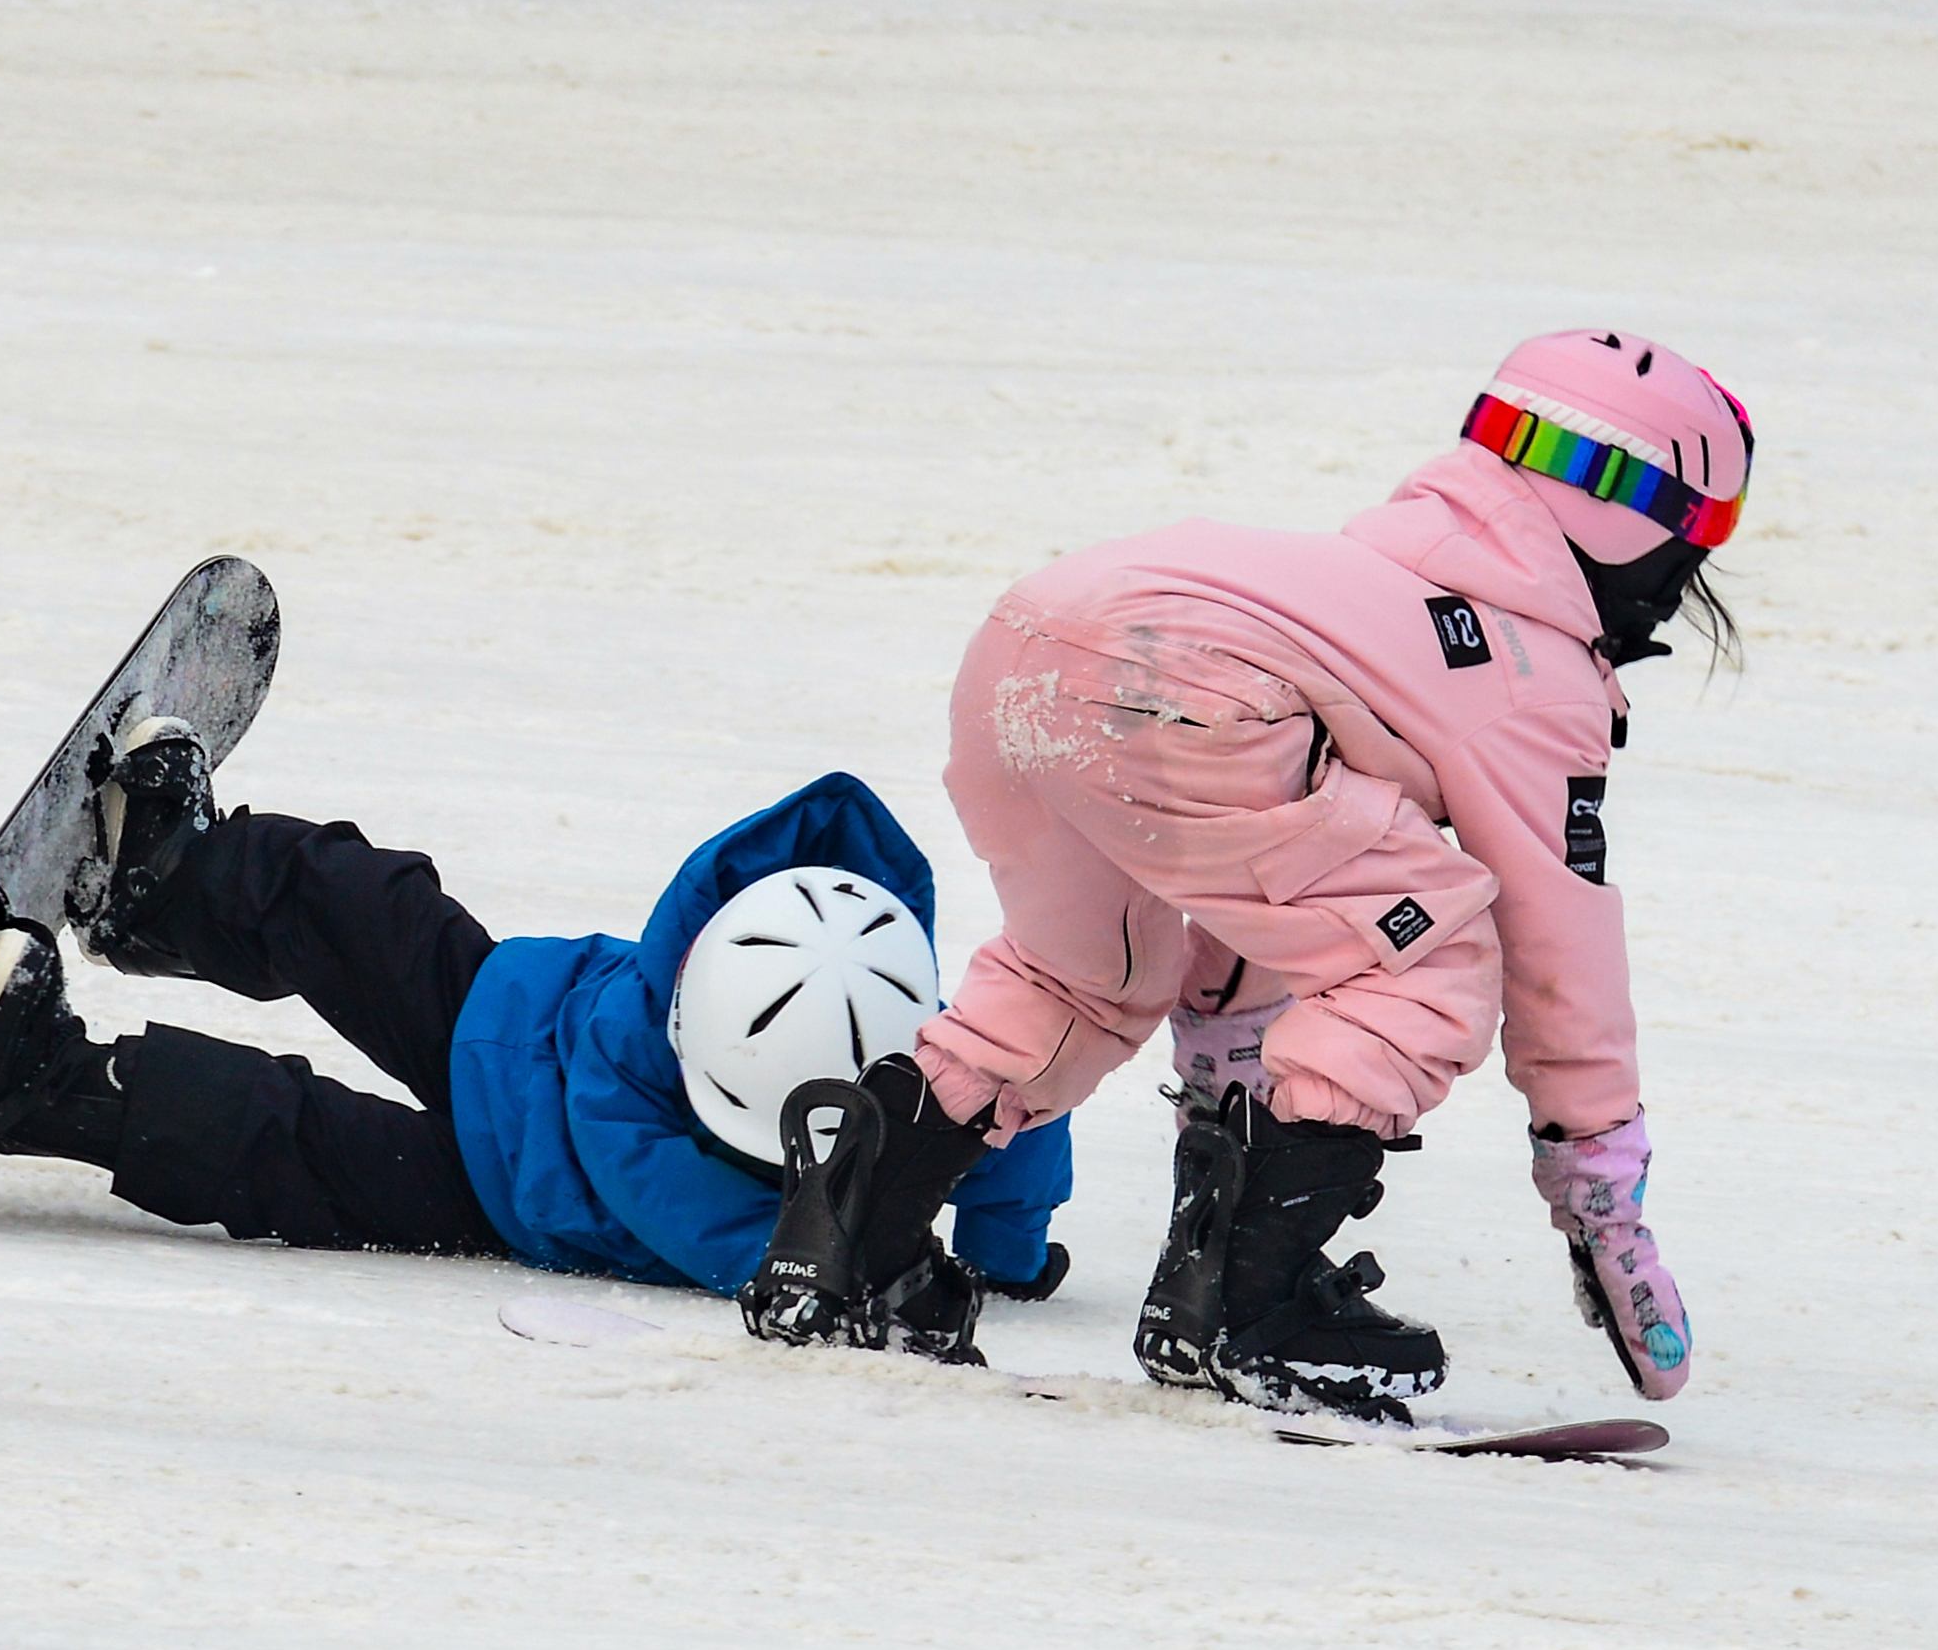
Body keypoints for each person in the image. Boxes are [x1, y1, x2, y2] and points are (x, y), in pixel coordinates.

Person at [745, 329, 1751, 1421]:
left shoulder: (1354, 581)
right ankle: (1252, 1301)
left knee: (1078, 974)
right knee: (1433, 952)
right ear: (1641, 527)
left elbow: (1259, 900)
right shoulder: (1528, 668)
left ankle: (848, 1252)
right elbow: (1564, 942)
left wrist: (1226, 1094)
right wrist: (1597, 1187)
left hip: (1025, 644)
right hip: (1191, 679)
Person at [0, 740, 1076, 1303]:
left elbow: (1016, 1122)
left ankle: (35, 1081)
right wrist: (903, 1263)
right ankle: (168, 878)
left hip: (487, 1194)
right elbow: (1011, 1114)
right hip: (501, 1012)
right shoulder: (675, 1066)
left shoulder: (892, 1073)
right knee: (354, 899)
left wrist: (994, 1259)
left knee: (279, 1139)